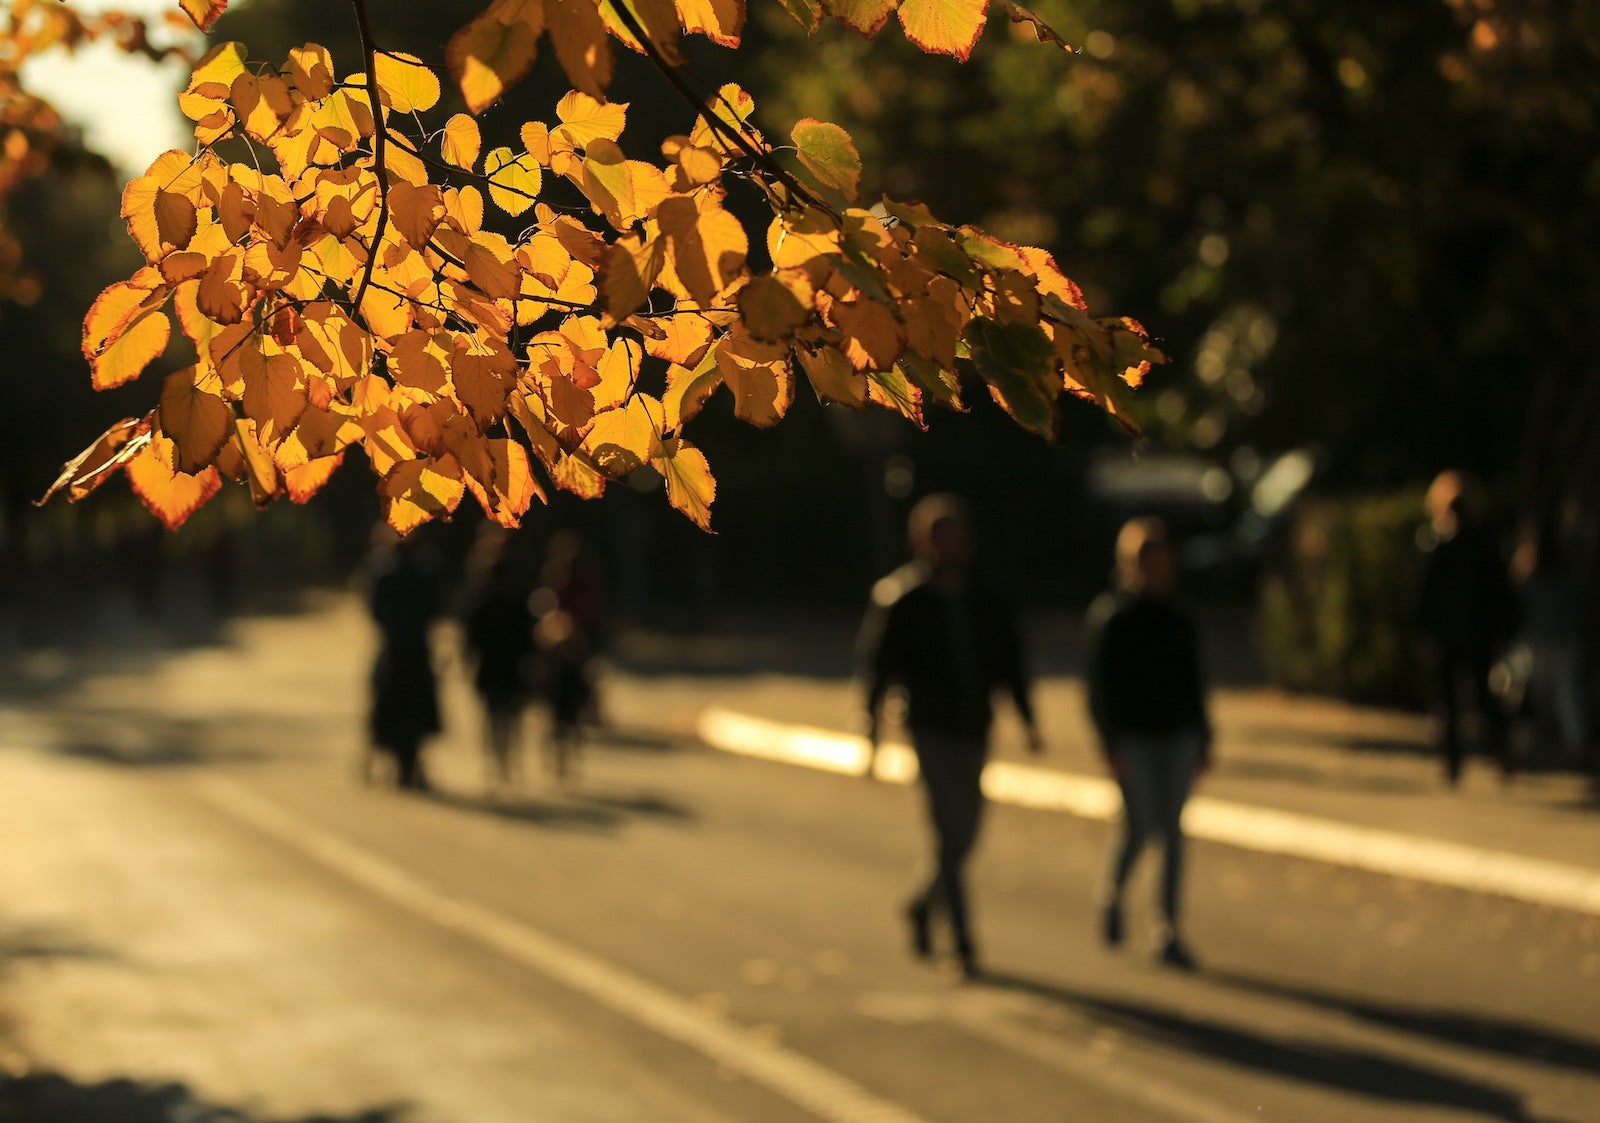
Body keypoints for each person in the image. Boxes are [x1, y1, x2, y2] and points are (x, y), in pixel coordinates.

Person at [860, 494, 1042, 979]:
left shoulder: (987, 600)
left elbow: (1010, 664)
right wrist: (872, 731)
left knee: (967, 833)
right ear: (921, 543)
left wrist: (1028, 720)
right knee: (947, 832)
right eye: (937, 538)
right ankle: (962, 941)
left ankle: (923, 905)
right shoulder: (902, 600)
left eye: (954, 536)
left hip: (975, 726)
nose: (947, 547)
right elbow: (879, 669)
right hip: (930, 728)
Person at [1086, 517, 1209, 971]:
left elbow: (1195, 683)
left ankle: (1167, 927)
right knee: (1139, 825)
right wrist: (1109, 742)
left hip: (1177, 736)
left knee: (1172, 830)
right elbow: (1098, 690)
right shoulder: (1113, 618)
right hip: (1133, 739)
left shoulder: (1180, 616)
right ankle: (1112, 893)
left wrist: (1204, 739)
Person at [1416, 471, 1517, 784]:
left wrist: (1423, 629)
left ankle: (1457, 760)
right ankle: (1494, 751)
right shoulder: (1477, 543)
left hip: (1455, 633)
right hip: (1473, 633)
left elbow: (1422, 594)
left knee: (1454, 700)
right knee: (1478, 697)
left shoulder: (1440, 544)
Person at [1511, 519, 1591, 769]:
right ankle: (1574, 745)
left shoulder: (1531, 571)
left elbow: (1519, 606)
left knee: (1533, 694)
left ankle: (1525, 746)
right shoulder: (1571, 571)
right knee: (1566, 694)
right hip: (1563, 639)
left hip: (1540, 640)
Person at [367, 528, 442, 791]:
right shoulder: (425, 571)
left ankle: (398, 758)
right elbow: (435, 609)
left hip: (395, 649)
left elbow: (375, 610)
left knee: (388, 701)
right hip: (416, 649)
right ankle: (410, 761)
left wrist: (391, 629)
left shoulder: (385, 571)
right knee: (416, 706)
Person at [461, 529, 535, 792]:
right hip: (498, 660)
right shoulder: (488, 593)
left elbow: (524, 630)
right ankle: (500, 762)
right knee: (500, 715)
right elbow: (473, 630)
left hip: (504, 660)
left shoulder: (502, 592)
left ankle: (502, 762)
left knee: (502, 715)